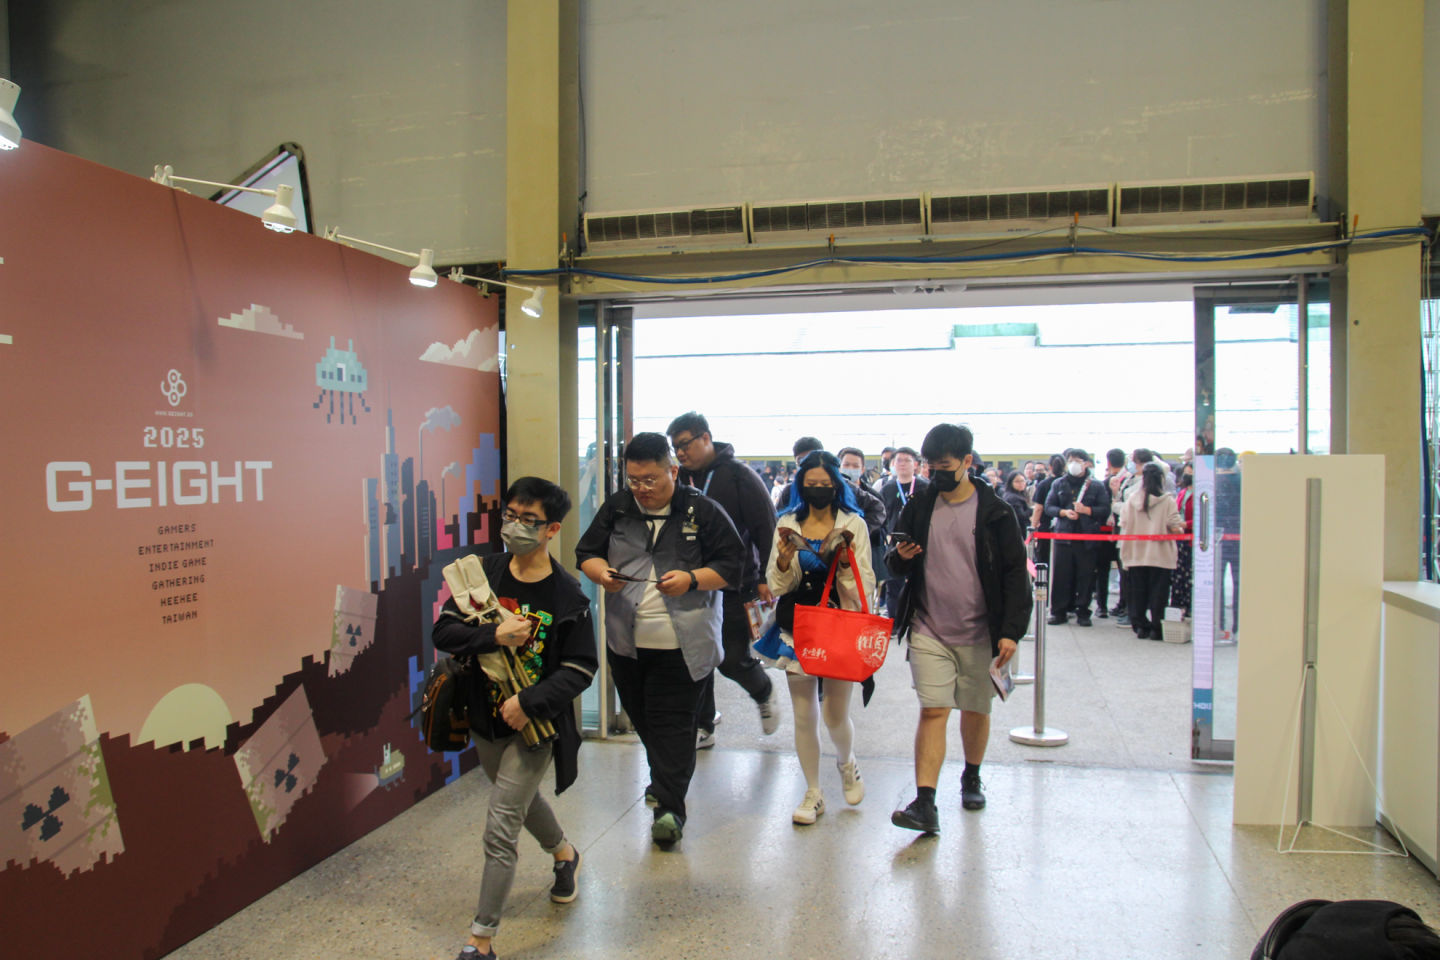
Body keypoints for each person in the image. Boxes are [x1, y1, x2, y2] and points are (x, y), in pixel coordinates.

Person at [433, 477, 598, 960]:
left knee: (501, 823)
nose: (515, 526)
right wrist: (493, 637)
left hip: (534, 726)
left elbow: (581, 668)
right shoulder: (482, 574)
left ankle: (481, 940)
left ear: (552, 529)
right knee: (521, 802)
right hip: (484, 717)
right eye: (510, 515)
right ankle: (565, 853)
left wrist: (529, 702)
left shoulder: (567, 595)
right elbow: (443, 631)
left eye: (529, 520)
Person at [575, 433, 744, 846]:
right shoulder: (618, 507)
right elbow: (587, 552)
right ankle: (665, 779)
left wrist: (692, 579)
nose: (642, 489)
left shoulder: (702, 510)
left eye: (650, 479)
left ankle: (669, 810)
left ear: (673, 471)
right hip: (626, 643)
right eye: (634, 480)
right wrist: (601, 573)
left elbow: (733, 565)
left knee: (672, 726)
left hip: (683, 646)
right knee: (646, 722)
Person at [887, 424, 1031, 833]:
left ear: (968, 461)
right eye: (930, 466)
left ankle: (971, 775)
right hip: (929, 626)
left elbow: (1014, 574)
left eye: (944, 466)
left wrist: (1011, 630)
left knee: (975, 707)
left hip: (981, 632)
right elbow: (895, 562)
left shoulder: (996, 512)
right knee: (933, 709)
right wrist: (901, 557)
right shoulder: (919, 504)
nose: (936, 473)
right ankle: (925, 802)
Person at [763, 451, 875, 824]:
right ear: (800, 485)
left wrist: (843, 562)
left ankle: (847, 762)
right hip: (798, 625)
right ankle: (813, 791)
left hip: (839, 626)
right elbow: (778, 585)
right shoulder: (787, 522)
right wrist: (783, 560)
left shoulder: (854, 524)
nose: (818, 490)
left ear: (836, 485)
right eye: (810, 484)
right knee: (803, 713)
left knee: (835, 714)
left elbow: (864, 588)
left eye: (825, 484)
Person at [666, 412, 782, 749]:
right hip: (692, 582)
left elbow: (766, 528)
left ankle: (763, 690)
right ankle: (704, 724)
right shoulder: (680, 478)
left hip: (736, 582)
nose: (680, 453)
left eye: (685, 444)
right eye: (675, 448)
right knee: (696, 658)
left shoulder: (739, 476)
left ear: (706, 438)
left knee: (730, 659)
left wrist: (766, 578)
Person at [1118, 463, 1186, 640]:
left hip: (1136, 553)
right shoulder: (1168, 501)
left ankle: (1140, 626)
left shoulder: (1132, 500)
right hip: (1160, 554)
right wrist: (1180, 530)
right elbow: (1175, 526)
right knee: (1159, 593)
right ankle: (1156, 628)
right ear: (1161, 479)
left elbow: (1123, 522)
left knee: (1137, 592)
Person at [1044, 448, 1110, 626]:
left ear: (1086, 464)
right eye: (1071, 460)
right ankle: (1058, 611)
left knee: (1085, 576)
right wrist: (1064, 512)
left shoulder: (1096, 485)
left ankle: (1083, 611)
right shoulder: (1059, 483)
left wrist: (1087, 510)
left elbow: (1105, 509)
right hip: (1063, 537)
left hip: (1087, 538)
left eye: (1078, 461)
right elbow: (1048, 506)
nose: (1073, 464)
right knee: (1061, 576)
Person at [879, 446, 927, 616]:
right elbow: (882, 515)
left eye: (907, 460)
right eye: (899, 460)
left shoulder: (924, 487)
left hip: (920, 542)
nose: (903, 464)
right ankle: (894, 620)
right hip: (895, 542)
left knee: (920, 583)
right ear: (893, 464)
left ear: (916, 464)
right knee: (894, 584)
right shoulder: (888, 488)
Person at [838, 446, 889, 591]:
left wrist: (859, 532)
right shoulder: (834, 492)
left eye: (855, 466)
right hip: (838, 558)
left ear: (862, 469)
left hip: (867, 556)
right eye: (846, 465)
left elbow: (883, 526)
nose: (850, 469)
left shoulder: (873, 497)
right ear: (839, 467)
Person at [1093, 447, 1128, 620]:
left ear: (1108, 462)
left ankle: (1103, 607)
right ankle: (1122, 605)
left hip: (1109, 533)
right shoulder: (1129, 481)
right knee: (1123, 571)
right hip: (1120, 532)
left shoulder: (1104, 484)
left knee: (1104, 571)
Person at [1215, 447, 1242, 639]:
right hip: (1239, 537)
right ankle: (1238, 628)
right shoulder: (1242, 481)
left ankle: (1220, 626)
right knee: (1239, 583)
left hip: (1218, 539)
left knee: (1216, 584)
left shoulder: (1211, 482)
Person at [1030, 454, 1065, 569]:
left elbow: (1038, 508)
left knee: (1044, 559)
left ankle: (1044, 579)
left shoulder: (1043, 484)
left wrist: (1033, 527)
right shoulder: (1067, 484)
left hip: (1046, 527)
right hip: (1065, 528)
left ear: (1049, 467)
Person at [1170, 461, 1195, 617]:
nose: (1187, 476)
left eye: (1191, 473)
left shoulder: (1202, 494)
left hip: (1193, 539)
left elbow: (1204, 516)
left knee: (1189, 573)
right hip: (1179, 537)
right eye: (1186, 472)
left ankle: (1189, 605)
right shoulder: (1182, 492)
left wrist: (1187, 524)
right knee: (1178, 573)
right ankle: (1178, 605)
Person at [1001, 469, 1031, 536]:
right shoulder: (1013, 498)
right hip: (1015, 531)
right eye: (1017, 481)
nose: (1021, 483)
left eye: (1022, 480)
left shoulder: (1019, 494)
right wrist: (1031, 510)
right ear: (1011, 483)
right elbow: (1021, 516)